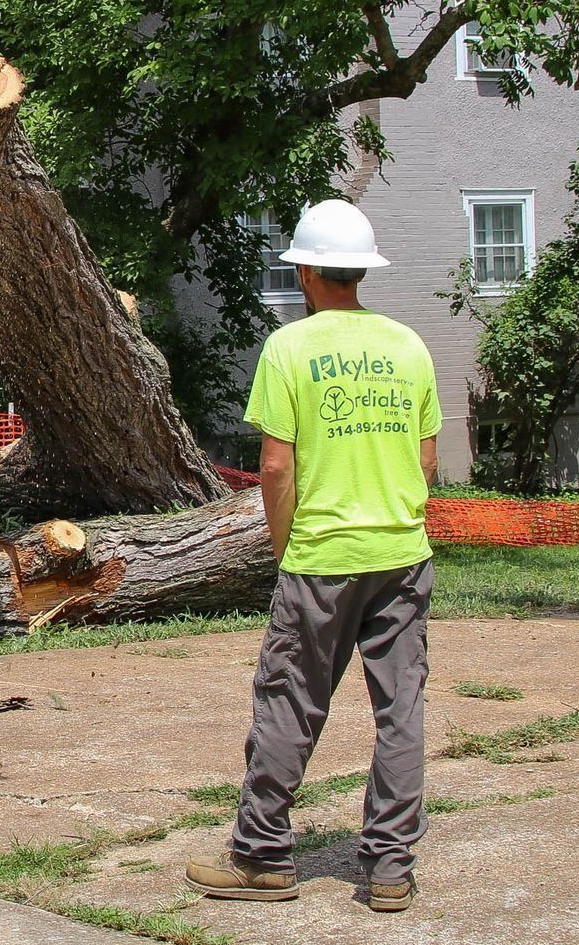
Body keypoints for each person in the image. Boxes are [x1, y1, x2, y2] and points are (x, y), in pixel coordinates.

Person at [185, 199, 440, 913]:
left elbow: (274, 467)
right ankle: (390, 867)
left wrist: (285, 549)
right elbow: (424, 459)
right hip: (402, 554)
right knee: (402, 709)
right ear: (361, 271)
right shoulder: (410, 346)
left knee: (291, 702)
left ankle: (262, 857)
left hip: (322, 557)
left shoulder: (290, 349)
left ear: (303, 272)